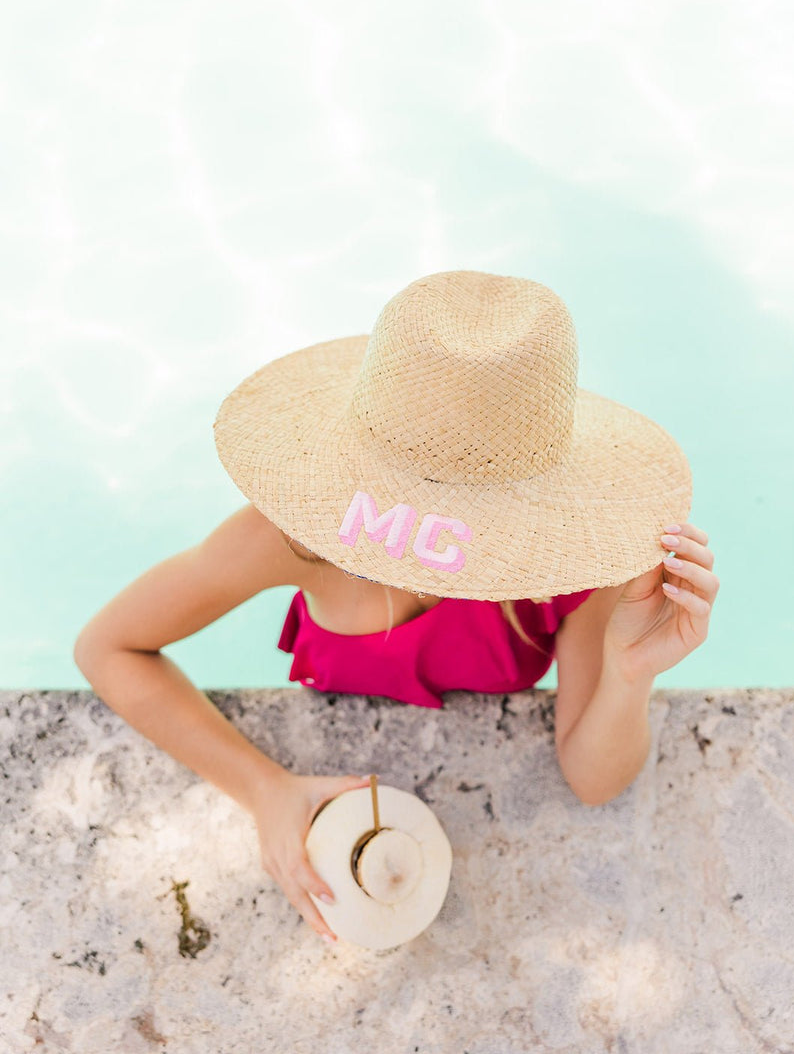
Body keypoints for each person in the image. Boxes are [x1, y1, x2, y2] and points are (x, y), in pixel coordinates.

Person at [73, 270, 720, 948]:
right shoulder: (304, 536)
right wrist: (264, 790)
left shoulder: (586, 565)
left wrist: (632, 670)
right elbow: (107, 646)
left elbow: (593, 781)